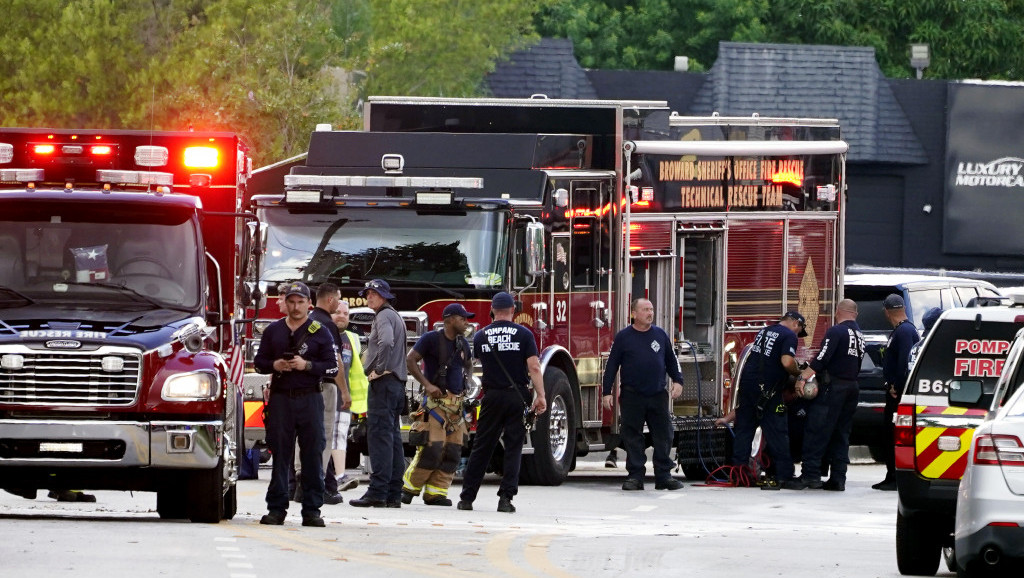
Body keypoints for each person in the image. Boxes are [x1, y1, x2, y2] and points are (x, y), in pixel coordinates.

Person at [254, 281, 338, 526]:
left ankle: (312, 510)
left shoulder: (320, 330)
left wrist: (307, 365)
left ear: (309, 304)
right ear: (285, 303)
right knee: (280, 454)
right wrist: (275, 365)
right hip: (281, 398)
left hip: (311, 397)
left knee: (312, 453)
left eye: (300, 302)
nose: (296, 306)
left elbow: (332, 366)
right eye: (291, 301)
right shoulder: (273, 331)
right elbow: (259, 362)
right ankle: (276, 508)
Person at [458, 292, 547, 513]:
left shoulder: (480, 336)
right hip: (516, 395)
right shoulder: (525, 334)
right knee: (513, 447)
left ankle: (467, 498)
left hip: (491, 396)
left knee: (482, 446)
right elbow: (534, 367)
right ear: (513, 311)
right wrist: (541, 396)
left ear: (492, 311)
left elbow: (473, 364)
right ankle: (505, 499)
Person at [601, 298, 685, 491]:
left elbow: (672, 361)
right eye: (645, 309)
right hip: (632, 396)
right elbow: (611, 366)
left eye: (651, 309)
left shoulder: (660, 335)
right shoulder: (623, 337)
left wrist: (678, 381)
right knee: (632, 436)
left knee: (663, 435)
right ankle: (635, 476)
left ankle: (664, 475)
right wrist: (607, 392)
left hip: (657, 394)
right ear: (634, 314)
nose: (650, 313)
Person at [401, 303, 474, 506]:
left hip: (456, 406)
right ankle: (409, 488)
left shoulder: (462, 343)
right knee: (432, 449)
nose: (466, 323)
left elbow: (468, 364)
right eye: (463, 319)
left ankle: (436, 493)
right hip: (435, 405)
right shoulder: (431, 339)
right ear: (450, 320)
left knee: (453, 451)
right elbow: (410, 359)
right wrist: (427, 384)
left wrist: (467, 381)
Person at [731, 311, 807, 490]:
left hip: (748, 384)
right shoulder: (789, 335)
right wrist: (799, 373)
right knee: (777, 431)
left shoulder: (764, 331)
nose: (797, 335)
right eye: (799, 331)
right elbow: (787, 362)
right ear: (796, 324)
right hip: (768, 390)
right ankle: (784, 476)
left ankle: (739, 473)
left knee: (744, 428)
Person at [350, 279, 409, 508]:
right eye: (368, 293)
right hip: (396, 385)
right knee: (392, 439)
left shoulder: (384, 316)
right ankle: (393, 493)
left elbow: (385, 342)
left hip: (384, 384)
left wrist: (378, 369)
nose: (369, 298)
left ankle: (377, 491)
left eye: (373, 293)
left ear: (384, 295)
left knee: (379, 438)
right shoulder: (394, 316)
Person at [290, 283, 350, 505]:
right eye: (339, 299)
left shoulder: (303, 322)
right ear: (331, 300)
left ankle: (298, 480)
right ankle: (316, 485)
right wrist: (344, 391)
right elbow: (337, 364)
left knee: (302, 435)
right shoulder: (327, 325)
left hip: (300, 386)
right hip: (324, 387)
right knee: (321, 437)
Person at [796, 299, 865, 491]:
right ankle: (838, 478)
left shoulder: (836, 331)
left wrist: (802, 377)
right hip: (852, 387)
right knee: (841, 433)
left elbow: (822, 358)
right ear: (855, 314)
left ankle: (810, 475)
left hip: (833, 388)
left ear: (837, 312)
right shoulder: (860, 335)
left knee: (817, 429)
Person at [873, 294, 919, 491]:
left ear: (886, 311)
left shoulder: (904, 332)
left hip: (897, 396)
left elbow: (905, 362)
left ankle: (895, 477)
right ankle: (891, 474)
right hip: (896, 393)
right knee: (888, 436)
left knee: (894, 436)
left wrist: (897, 386)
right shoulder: (903, 330)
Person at [330, 300, 365, 493]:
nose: (342, 316)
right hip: (325, 395)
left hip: (344, 398)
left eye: (345, 313)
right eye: (337, 312)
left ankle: (339, 476)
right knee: (326, 438)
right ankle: (330, 477)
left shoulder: (353, 338)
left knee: (340, 436)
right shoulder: (324, 334)